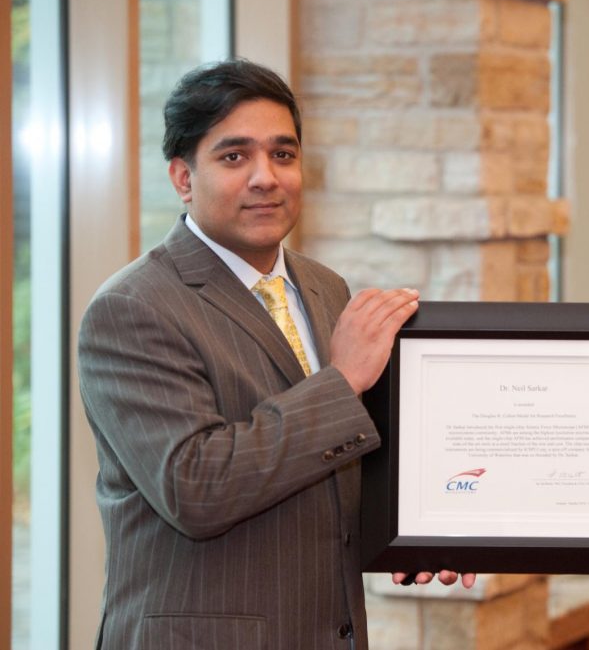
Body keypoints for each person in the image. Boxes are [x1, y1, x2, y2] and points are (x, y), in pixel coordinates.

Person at [78, 59, 472, 650]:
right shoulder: (132, 309)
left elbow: (331, 465)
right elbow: (197, 487)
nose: (266, 177)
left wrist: (419, 530)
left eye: (283, 155)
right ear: (183, 177)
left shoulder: (324, 288)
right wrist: (341, 380)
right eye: (234, 157)